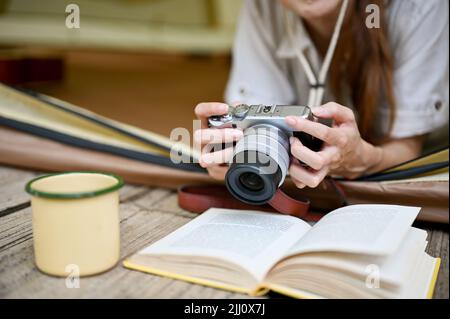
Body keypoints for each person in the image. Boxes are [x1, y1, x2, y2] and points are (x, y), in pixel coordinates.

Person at [194, 0, 449, 189]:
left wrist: (363, 160)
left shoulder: (421, 7)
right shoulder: (262, 6)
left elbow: (409, 149)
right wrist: (232, 151)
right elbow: (259, 126)